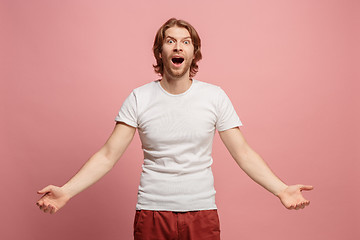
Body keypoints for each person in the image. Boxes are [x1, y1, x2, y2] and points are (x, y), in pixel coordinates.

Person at [36, 18, 313, 240]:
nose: (178, 47)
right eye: (170, 41)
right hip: (152, 214)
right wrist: (67, 191)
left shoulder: (214, 97)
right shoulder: (139, 98)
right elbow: (108, 155)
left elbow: (242, 152)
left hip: (202, 213)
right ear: (161, 52)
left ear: (194, 53)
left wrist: (281, 190)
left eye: (185, 42)